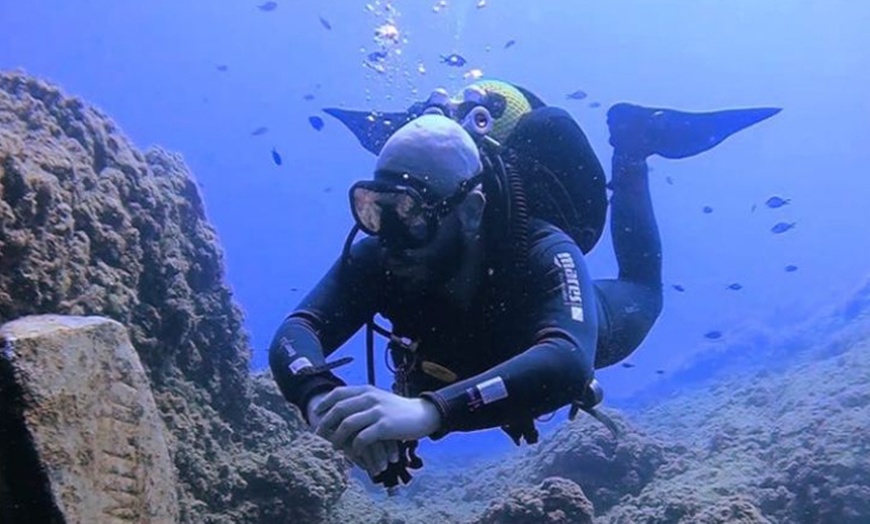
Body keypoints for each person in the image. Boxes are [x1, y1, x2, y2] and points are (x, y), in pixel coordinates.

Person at [269, 80, 779, 489]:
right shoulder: (382, 251)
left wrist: (428, 411)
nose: (393, 236)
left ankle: (632, 149)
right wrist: (319, 397)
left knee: (644, 292)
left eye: (412, 212)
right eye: (376, 209)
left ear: (470, 211)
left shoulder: (543, 247)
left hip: (550, 318)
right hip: (474, 363)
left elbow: (566, 361)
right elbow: (297, 331)